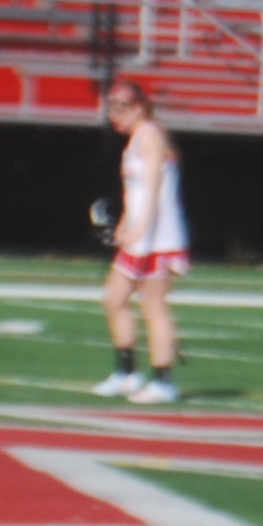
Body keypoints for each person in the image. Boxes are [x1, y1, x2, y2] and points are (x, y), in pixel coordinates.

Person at [94, 78, 186, 403]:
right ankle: (127, 374)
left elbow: (153, 191)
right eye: (111, 108)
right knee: (114, 299)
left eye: (120, 109)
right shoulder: (136, 139)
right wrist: (124, 224)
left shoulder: (150, 137)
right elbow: (134, 193)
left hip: (158, 237)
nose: (113, 116)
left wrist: (139, 230)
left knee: (153, 306)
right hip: (140, 235)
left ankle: (163, 382)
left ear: (138, 107)